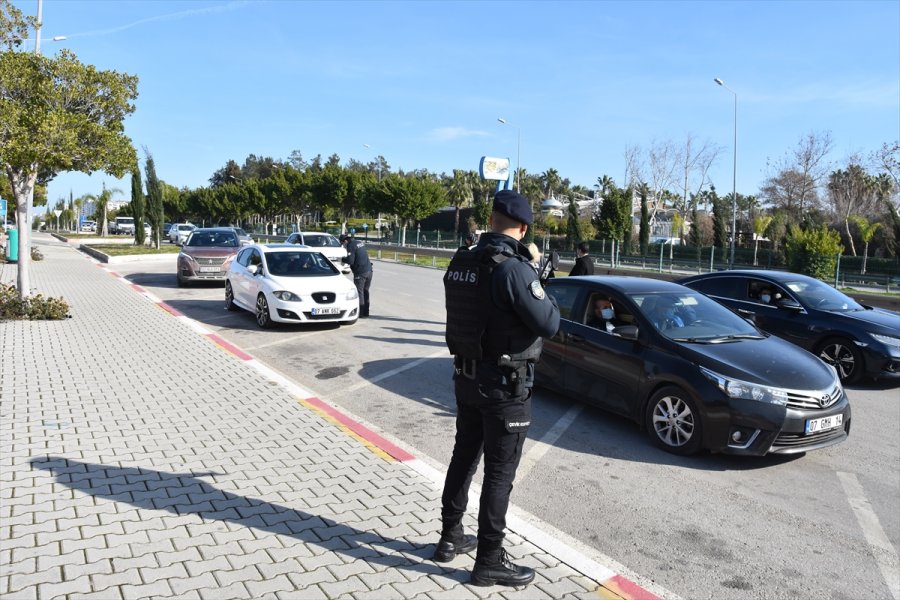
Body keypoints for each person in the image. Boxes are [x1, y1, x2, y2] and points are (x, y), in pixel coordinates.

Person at [438, 190, 560, 587]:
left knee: (463, 458)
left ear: (492, 220)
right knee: (499, 474)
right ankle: (489, 559)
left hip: (466, 378)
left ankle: (449, 537)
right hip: (505, 387)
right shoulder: (514, 269)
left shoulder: (463, 259)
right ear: (523, 228)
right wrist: (538, 273)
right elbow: (550, 323)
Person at [339, 234, 373, 317]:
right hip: (369, 270)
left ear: (345, 241)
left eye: (343, 244)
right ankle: (366, 312)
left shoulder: (351, 246)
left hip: (360, 273)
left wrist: (342, 259)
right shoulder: (359, 242)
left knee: (359, 292)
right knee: (365, 291)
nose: (344, 245)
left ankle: (360, 313)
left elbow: (350, 261)